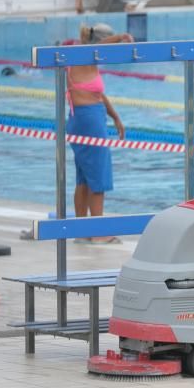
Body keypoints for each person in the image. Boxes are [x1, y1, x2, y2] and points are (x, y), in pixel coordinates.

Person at [67, 23, 128, 239]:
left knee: (83, 179)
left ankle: (82, 231)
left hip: (83, 119)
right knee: (99, 177)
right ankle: (98, 233)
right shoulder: (83, 56)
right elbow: (101, 46)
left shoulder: (84, 60)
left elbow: (98, 95)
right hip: (89, 123)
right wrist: (120, 37)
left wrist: (116, 117)